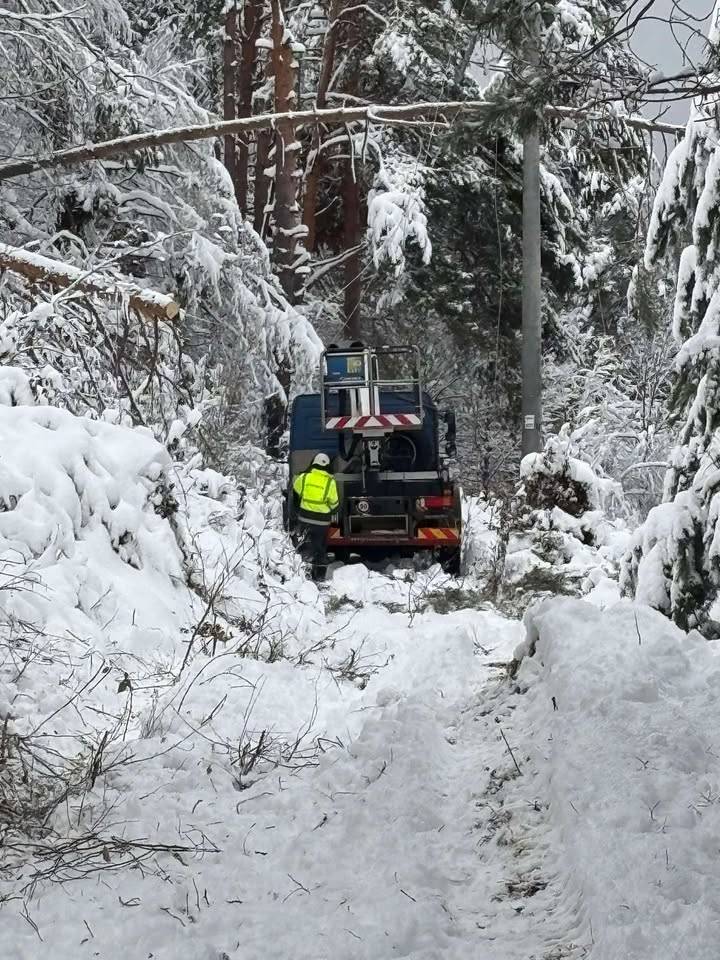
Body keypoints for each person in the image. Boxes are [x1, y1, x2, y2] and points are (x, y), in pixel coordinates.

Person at [292, 453, 339, 580]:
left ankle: (303, 575)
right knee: (320, 548)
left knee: (305, 546)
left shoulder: (304, 477)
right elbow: (335, 505)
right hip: (322, 523)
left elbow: (295, 492)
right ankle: (319, 574)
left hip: (304, 519)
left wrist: (298, 510)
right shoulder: (330, 482)